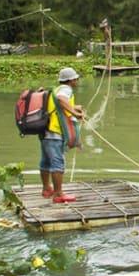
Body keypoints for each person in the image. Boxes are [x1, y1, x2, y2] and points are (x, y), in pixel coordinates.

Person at [39, 67, 86, 203]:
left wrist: (74, 107)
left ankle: (47, 188)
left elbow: (56, 105)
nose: (77, 81)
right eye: (76, 78)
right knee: (57, 163)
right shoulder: (66, 90)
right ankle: (58, 194)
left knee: (46, 161)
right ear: (71, 80)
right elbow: (61, 100)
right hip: (55, 132)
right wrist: (75, 113)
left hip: (45, 131)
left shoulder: (56, 89)